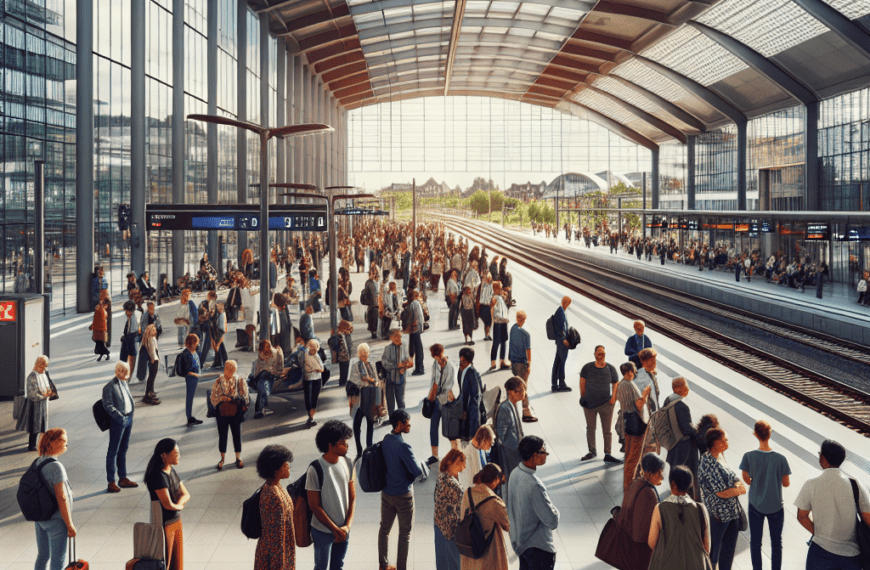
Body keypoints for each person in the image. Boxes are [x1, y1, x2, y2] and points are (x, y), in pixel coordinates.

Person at [795, 439, 870, 570]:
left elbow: (802, 516)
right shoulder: (856, 485)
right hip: (851, 557)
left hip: (820, 554)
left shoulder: (811, 484)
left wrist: (819, 534)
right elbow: (867, 519)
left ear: (822, 458)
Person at [739, 420, 791, 570]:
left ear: (755, 434)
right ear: (770, 434)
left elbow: (747, 480)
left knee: (755, 542)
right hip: (775, 505)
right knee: (776, 543)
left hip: (755, 504)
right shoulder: (781, 459)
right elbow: (786, 483)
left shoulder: (748, 456)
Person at [379, 410, 424, 570]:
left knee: (384, 530)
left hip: (386, 493)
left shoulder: (386, 440)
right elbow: (417, 471)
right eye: (407, 422)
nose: (409, 424)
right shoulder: (404, 446)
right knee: (404, 534)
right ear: (399, 425)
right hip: (404, 496)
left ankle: (383, 565)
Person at [307, 421, 356, 570]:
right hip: (322, 530)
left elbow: (352, 497)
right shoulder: (315, 468)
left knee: (338, 566)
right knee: (321, 567)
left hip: (343, 528)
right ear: (330, 445)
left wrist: (347, 526)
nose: (346, 445)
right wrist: (335, 529)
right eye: (342, 442)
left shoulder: (348, 463)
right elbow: (314, 505)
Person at [507, 436, 560, 570]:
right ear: (534, 456)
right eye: (543, 451)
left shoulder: (514, 474)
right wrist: (556, 512)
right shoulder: (534, 485)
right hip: (539, 549)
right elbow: (552, 521)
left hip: (520, 545)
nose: (546, 454)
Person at [698, 428, 745, 570]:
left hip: (731, 514)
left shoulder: (721, 457)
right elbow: (721, 493)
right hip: (718, 516)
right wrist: (738, 489)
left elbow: (736, 481)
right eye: (724, 440)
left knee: (727, 555)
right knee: (713, 553)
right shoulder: (707, 462)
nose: (727, 443)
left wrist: (736, 488)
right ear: (716, 443)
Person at [647, 465, 712, 570]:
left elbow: (652, 542)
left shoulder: (660, 508)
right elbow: (707, 547)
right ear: (689, 484)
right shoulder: (701, 509)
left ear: (673, 484)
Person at [32, 428, 75, 570]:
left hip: (40, 518)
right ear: (51, 442)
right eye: (62, 440)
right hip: (56, 520)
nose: (66, 443)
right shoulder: (56, 467)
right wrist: (69, 525)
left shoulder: (38, 462)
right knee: (58, 561)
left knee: (43, 555)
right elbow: (61, 497)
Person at [612, 453, 664, 569]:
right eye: (659, 473)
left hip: (627, 546)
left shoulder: (636, 483)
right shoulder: (648, 493)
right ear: (649, 473)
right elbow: (643, 532)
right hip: (640, 553)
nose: (662, 477)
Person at [144, 438, 189, 570]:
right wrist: (180, 506)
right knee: (166, 563)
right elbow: (167, 504)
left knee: (177, 562)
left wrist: (179, 503)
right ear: (164, 455)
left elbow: (185, 493)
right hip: (164, 525)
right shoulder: (157, 476)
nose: (178, 456)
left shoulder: (171, 470)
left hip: (175, 521)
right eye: (176, 453)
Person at [460, 463, 510, 570]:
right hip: (487, 555)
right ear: (496, 479)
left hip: (469, 553)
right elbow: (507, 525)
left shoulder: (467, 493)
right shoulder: (494, 502)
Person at [255, 444, 296, 570]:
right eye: (285, 465)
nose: (288, 467)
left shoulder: (275, 487)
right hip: (276, 558)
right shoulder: (273, 495)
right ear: (275, 469)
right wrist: (279, 565)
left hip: (282, 552)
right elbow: (275, 538)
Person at [612, 361, 651, 491]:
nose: (635, 372)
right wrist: (645, 393)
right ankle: (629, 488)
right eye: (633, 370)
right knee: (634, 458)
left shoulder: (621, 384)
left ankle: (628, 484)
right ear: (628, 372)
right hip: (635, 424)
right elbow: (638, 405)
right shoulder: (629, 385)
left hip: (626, 423)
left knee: (629, 455)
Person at [579, 345, 621, 464]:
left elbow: (615, 383)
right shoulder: (587, 368)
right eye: (599, 352)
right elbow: (582, 383)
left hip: (606, 405)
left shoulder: (611, 369)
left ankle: (608, 453)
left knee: (607, 430)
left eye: (603, 352)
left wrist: (613, 398)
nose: (601, 354)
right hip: (589, 405)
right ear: (594, 354)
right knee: (590, 428)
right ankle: (592, 451)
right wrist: (583, 398)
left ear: (605, 354)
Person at [102, 361, 139, 493]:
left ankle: (123, 478)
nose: (128, 375)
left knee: (123, 449)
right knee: (113, 451)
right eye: (127, 373)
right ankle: (111, 481)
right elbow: (108, 406)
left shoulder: (124, 382)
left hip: (128, 418)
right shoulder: (109, 387)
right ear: (120, 372)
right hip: (118, 421)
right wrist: (121, 418)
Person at [663, 378, 700, 496]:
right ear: (677, 388)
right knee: (687, 470)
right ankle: (687, 492)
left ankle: (673, 488)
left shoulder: (667, 400)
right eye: (685, 387)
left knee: (674, 468)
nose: (687, 390)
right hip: (683, 446)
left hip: (672, 442)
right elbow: (686, 429)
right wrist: (696, 430)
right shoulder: (682, 406)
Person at [210, 360, 248, 470]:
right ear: (225, 369)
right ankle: (222, 459)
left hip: (235, 411)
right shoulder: (219, 381)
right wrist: (222, 399)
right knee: (223, 435)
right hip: (222, 411)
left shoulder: (239, 380)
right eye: (229, 369)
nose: (231, 372)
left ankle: (238, 457)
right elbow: (213, 397)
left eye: (233, 370)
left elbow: (245, 396)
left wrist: (234, 399)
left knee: (237, 434)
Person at [348, 343, 384, 458]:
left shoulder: (372, 365)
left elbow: (377, 382)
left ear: (368, 353)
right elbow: (354, 381)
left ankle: (369, 447)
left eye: (366, 353)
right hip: (359, 399)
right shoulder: (355, 366)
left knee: (370, 423)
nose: (364, 355)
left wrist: (370, 380)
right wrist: (368, 382)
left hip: (371, 398)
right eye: (361, 353)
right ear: (358, 354)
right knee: (357, 425)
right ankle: (359, 449)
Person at [434, 449, 466, 570]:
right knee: (454, 564)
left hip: (439, 524)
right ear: (453, 463)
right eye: (461, 463)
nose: (462, 466)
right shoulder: (453, 485)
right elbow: (460, 508)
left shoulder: (442, 475)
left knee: (442, 562)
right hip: (451, 530)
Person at [427, 343, 458, 465]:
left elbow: (446, 385)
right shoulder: (436, 364)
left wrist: (431, 397)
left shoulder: (449, 366)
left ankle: (455, 452)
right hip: (437, 400)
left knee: (449, 429)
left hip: (444, 401)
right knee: (434, 428)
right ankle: (435, 455)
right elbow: (434, 381)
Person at [16, 356, 54, 452]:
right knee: (34, 426)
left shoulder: (43, 374)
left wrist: (49, 393)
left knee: (42, 425)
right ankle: (31, 445)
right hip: (34, 405)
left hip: (42, 404)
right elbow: (32, 394)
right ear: (39, 364)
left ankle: (39, 443)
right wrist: (44, 396)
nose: (45, 368)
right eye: (43, 365)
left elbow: (47, 387)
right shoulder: (32, 376)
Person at [495, 377, 526, 488]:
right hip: (510, 453)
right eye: (520, 390)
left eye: (524, 389)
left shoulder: (513, 404)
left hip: (516, 451)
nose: (524, 393)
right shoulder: (505, 409)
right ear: (510, 392)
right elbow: (500, 436)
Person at [508, 311, 536, 422]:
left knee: (517, 385)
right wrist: (529, 364)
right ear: (523, 319)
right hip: (522, 364)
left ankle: (516, 409)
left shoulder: (512, 329)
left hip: (514, 364)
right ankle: (526, 412)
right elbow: (528, 351)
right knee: (523, 387)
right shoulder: (525, 334)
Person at [381, 328, 412, 416]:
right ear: (391, 337)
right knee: (390, 401)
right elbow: (385, 363)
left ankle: (402, 418)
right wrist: (397, 365)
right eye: (396, 337)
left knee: (400, 400)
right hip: (390, 379)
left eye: (400, 336)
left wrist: (405, 365)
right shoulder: (387, 349)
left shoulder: (404, 346)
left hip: (401, 378)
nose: (399, 339)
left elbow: (407, 359)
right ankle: (392, 419)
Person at [254, 339, 286, 419]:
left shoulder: (275, 354)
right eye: (266, 346)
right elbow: (258, 368)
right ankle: (261, 409)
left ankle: (260, 409)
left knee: (263, 387)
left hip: (271, 376)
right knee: (262, 386)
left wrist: (277, 373)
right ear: (262, 348)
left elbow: (279, 366)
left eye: (269, 346)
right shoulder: (261, 355)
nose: (269, 348)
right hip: (261, 376)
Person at [178, 334, 204, 426]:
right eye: (196, 342)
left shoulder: (194, 352)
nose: (197, 344)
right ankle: (189, 417)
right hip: (191, 378)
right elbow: (187, 370)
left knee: (191, 397)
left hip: (195, 376)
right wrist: (195, 374)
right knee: (190, 397)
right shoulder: (187, 354)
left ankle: (190, 416)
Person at [458, 347, 483, 444]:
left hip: (472, 413)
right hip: (465, 411)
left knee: (471, 440)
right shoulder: (461, 371)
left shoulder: (472, 373)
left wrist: (466, 411)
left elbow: (475, 396)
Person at [460, 425, 495, 490]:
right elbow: (467, 481)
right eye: (489, 443)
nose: (490, 446)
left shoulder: (480, 450)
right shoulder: (467, 453)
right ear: (484, 440)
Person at [550, 296, 572, 393]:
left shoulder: (561, 311)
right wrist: (563, 339)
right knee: (561, 362)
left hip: (560, 341)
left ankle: (555, 384)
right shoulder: (560, 312)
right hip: (561, 342)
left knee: (558, 362)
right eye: (568, 303)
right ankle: (561, 383)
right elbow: (560, 328)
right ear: (565, 302)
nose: (568, 305)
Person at [489, 281, 510, 371]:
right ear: (495, 289)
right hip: (498, 322)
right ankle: (493, 361)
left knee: (504, 341)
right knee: (496, 342)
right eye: (500, 288)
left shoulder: (501, 298)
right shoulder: (494, 298)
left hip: (504, 322)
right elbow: (492, 309)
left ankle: (502, 360)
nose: (501, 290)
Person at [304, 339, 325, 427]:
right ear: (309, 348)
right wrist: (316, 369)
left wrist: (317, 369)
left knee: (315, 397)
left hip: (317, 378)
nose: (314, 351)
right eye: (312, 350)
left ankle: (312, 416)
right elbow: (308, 367)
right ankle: (310, 416)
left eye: (315, 350)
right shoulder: (306, 355)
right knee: (309, 397)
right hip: (309, 379)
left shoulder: (317, 355)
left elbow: (321, 367)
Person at [120, 300, 141, 380]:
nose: (125, 312)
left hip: (130, 342)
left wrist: (125, 338)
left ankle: (127, 377)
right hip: (129, 340)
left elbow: (133, 332)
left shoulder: (133, 319)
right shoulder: (132, 316)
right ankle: (126, 376)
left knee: (128, 358)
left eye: (126, 310)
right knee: (126, 359)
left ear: (129, 310)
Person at [140, 324, 161, 405]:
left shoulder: (151, 339)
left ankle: (150, 393)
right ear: (150, 331)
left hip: (154, 359)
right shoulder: (151, 339)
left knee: (151, 377)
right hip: (154, 360)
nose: (155, 331)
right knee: (151, 378)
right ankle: (148, 395)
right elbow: (152, 351)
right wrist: (153, 359)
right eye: (154, 330)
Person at [408, 290, 426, 376]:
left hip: (415, 329)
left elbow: (416, 317)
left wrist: (413, 325)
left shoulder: (414, 304)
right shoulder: (416, 303)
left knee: (417, 348)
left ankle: (420, 368)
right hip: (416, 328)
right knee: (417, 348)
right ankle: (419, 367)